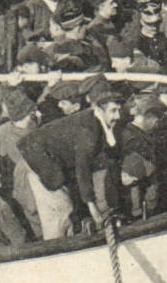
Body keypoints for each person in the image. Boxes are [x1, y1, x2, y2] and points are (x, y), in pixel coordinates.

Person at [18, 81, 126, 234]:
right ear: (100, 111)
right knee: (61, 210)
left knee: (62, 209)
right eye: (113, 111)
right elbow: (83, 169)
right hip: (39, 159)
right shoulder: (89, 132)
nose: (118, 116)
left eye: (119, 111)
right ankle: (58, 250)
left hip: (44, 156)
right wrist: (93, 209)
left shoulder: (94, 120)